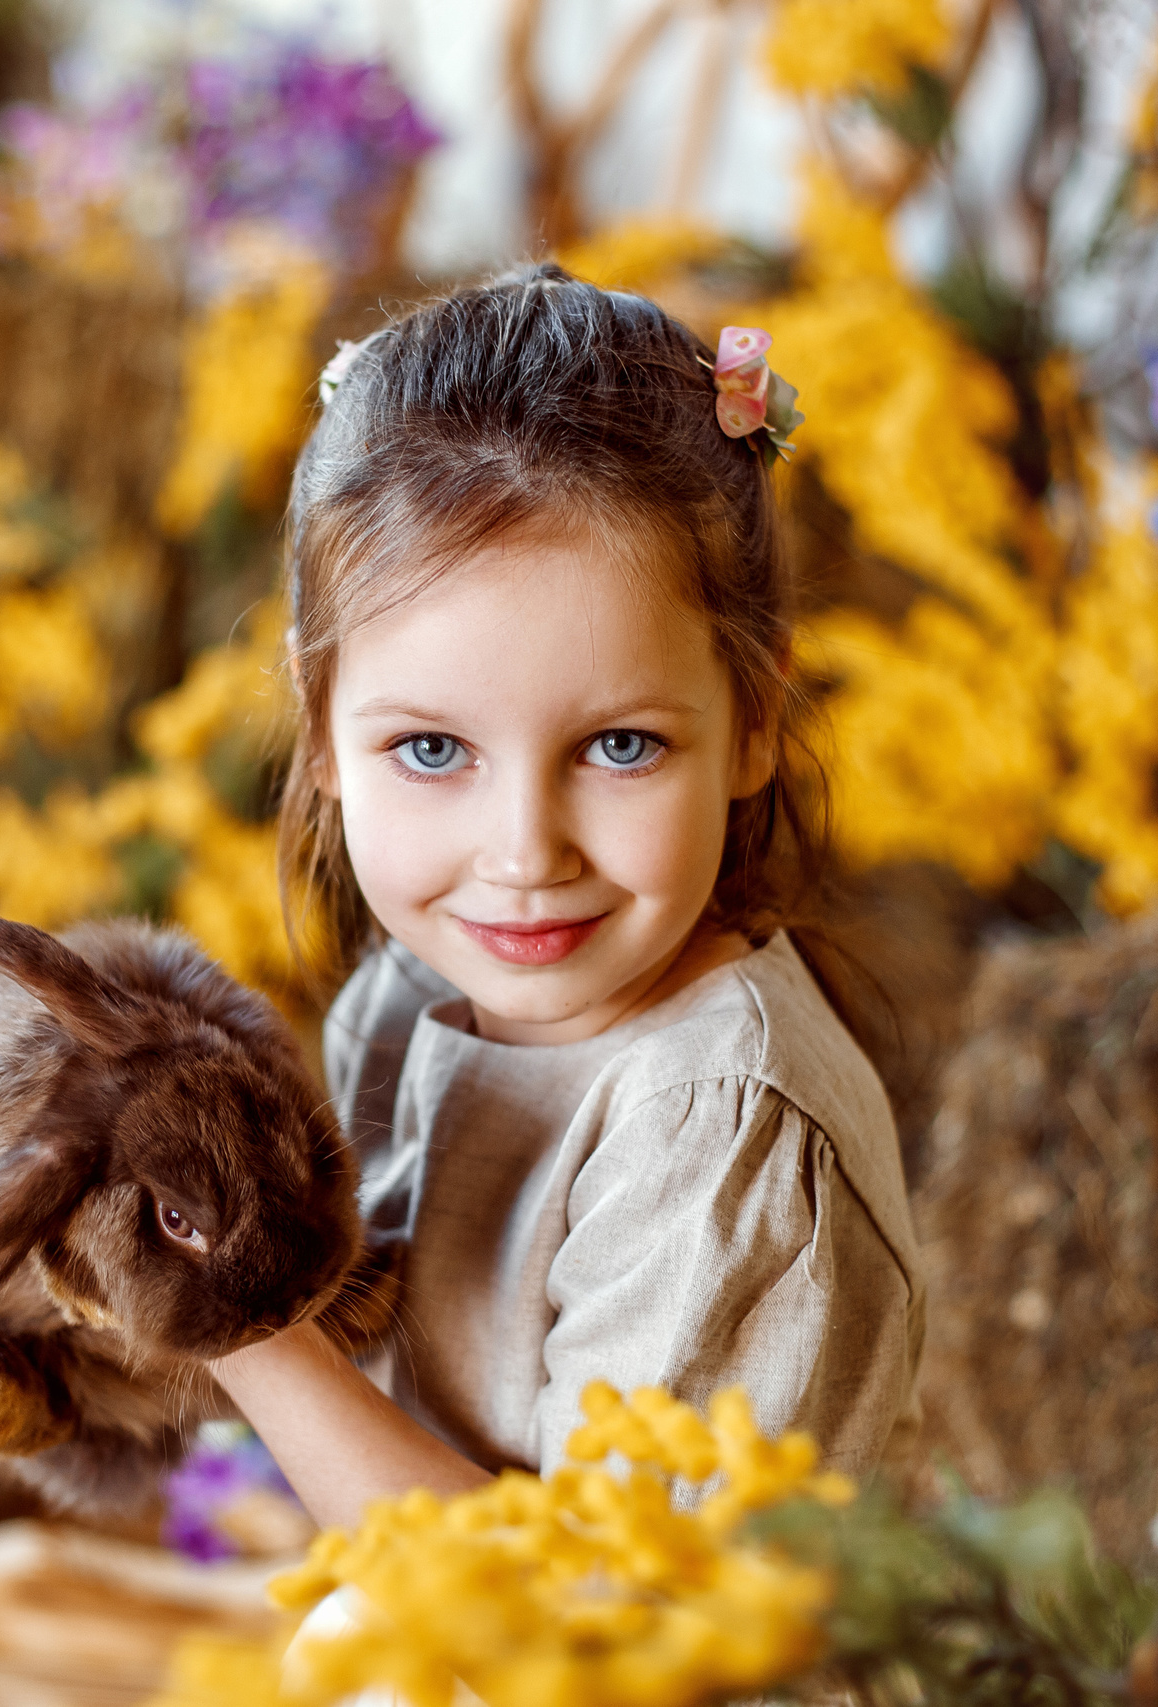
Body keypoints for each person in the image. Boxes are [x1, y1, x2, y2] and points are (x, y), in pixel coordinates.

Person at [208, 264, 923, 1531]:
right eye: (431, 751)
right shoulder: (407, 999)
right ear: (321, 738)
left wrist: (231, 1326)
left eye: (618, 747)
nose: (525, 852)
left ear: (754, 716)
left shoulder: (717, 1131)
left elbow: (585, 1630)